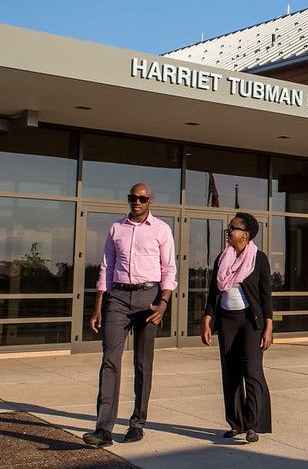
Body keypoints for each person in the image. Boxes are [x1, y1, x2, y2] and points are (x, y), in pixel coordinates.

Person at [82, 182, 177, 447]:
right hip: (119, 298)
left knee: (142, 363)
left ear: (150, 201)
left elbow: (169, 269)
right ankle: (103, 429)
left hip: (149, 299)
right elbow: (106, 267)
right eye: (132, 198)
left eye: (142, 199)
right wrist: (99, 305)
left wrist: (163, 303)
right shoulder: (116, 228)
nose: (136, 202)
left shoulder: (161, 229)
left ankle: (137, 423)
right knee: (109, 361)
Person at [202, 212, 273, 442]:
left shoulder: (258, 258)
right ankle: (236, 423)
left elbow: (265, 296)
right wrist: (207, 318)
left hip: (250, 322)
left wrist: (268, 326)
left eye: (233, 227)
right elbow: (214, 291)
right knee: (230, 373)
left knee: (252, 371)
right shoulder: (222, 258)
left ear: (246, 234)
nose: (229, 231)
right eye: (229, 227)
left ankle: (253, 425)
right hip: (226, 321)